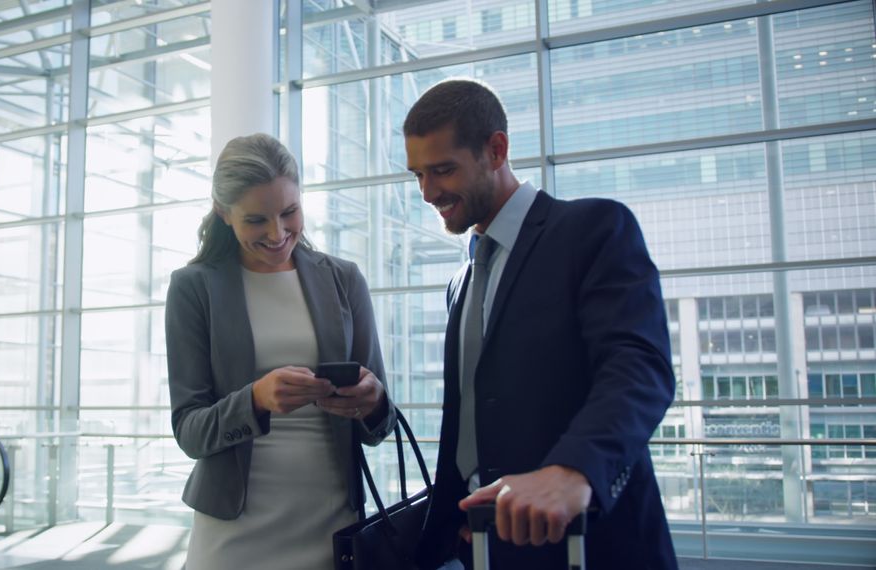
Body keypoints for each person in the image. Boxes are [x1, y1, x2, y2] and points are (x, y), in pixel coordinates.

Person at [406, 79, 678, 569]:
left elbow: (638, 368)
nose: (428, 192)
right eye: (418, 175)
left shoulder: (592, 230)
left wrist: (575, 469)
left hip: (589, 545)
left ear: (496, 150)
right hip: (486, 546)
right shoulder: (462, 281)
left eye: (443, 170)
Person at [165, 133, 397, 569]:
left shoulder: (344, 279)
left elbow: (379, 425)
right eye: (256, 220)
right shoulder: (193, 288)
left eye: (290, 212)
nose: (278, 233)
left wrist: (373, 401)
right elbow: (189, 431)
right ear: (223, 213)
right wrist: (255, 399)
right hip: (233, 535)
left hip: (332, 525)